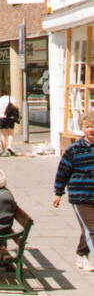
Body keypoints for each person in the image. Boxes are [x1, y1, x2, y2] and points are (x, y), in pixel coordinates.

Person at [52, 111, 94, 274]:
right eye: (87, 126)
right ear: (82, 129)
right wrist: (58, 192)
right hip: (81, 195)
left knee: (88, 228)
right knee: (92, 229)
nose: (91, 129)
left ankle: (81, 255)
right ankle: (83, 255)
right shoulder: (74, 149)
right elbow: (63, 171)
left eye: (93, 126)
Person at [0, 91, 19, 155]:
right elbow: (16, 107)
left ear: (0, 94)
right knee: (11, 133)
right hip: (9, 117)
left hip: (1, 118)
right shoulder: (11, 98)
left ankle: (4, 151)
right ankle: (10, 146)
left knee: (2, 134)